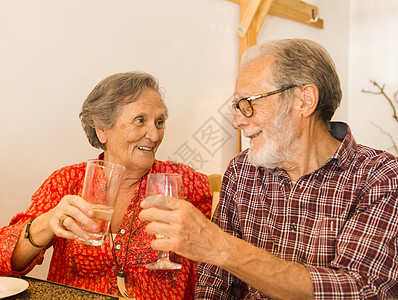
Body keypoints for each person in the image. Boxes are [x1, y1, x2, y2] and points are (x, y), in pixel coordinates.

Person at [139, 39, 398, 299]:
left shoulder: (380, 176)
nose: (237, 121)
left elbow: (363, 290)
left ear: (305, 101)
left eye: (248, 103)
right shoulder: (242, 170)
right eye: (236, 106)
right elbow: (215, 285)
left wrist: (220, 246)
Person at [0, 71, 212, 299]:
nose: (154, 135)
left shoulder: (183, 182)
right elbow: (4, 260)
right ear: (102, 129)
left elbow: (222, 253)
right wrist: (47, 224)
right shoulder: (68, 181)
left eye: (159, 122)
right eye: (140, 121)